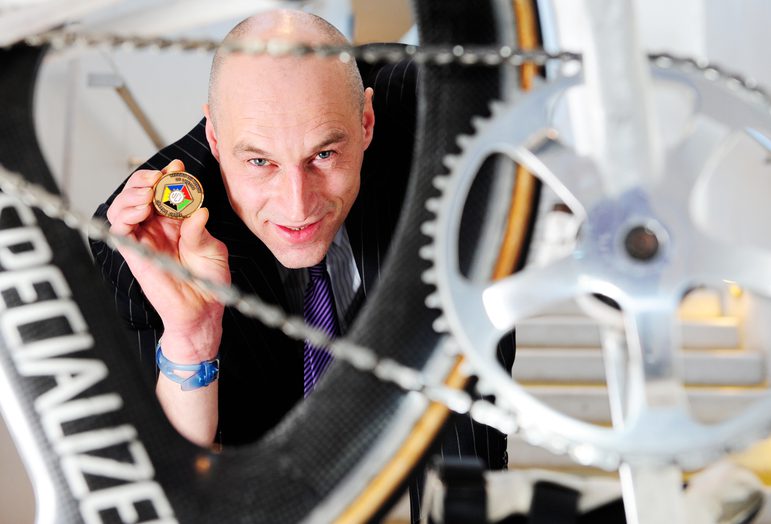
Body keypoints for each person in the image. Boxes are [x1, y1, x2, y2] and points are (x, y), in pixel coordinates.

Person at [90, 8, 512, 519]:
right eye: (259, 162)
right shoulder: (141, 244)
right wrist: (191, 337)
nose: (297, 206)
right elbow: (166, 490)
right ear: (217, 142)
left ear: (366, 123)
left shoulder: (443, 109)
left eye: (325, 155)